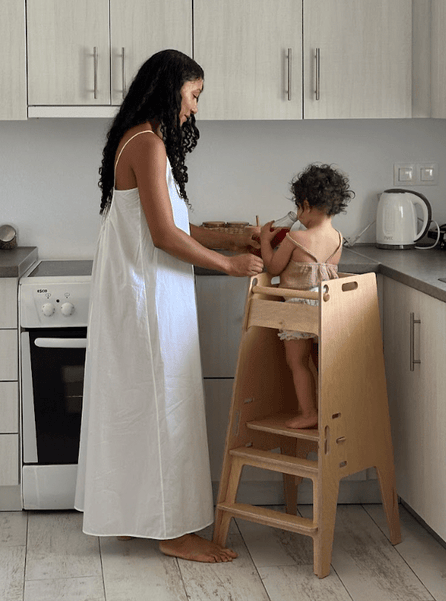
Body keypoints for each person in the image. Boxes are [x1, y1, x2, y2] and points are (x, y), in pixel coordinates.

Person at [74, 49, 263, 564]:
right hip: (148, 301)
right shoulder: (150, 144)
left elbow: (174, 226)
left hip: (145, 296)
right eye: (194, 95)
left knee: (142, 408)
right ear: (171, 88)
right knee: (164, 408)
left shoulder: (137, 138)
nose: (195, 108)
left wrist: (231, 237)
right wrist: (228, 266)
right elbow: (163, 237)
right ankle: (173, 531)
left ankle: (138, 517)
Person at [259, 164, 354, 429]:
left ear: (306, 204)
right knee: (323, 362)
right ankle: (333, 411)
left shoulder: (296, 237)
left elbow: (274, 267)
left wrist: (266, 242)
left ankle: (308, 412)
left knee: (297, 362)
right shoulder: (338, 238)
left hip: (300, 309)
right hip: (326, 307)